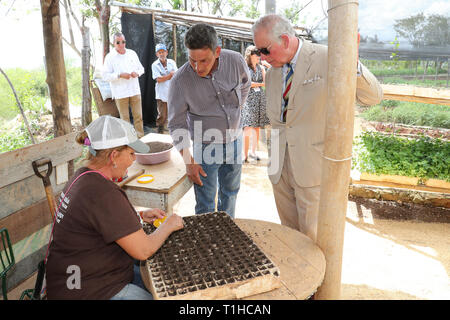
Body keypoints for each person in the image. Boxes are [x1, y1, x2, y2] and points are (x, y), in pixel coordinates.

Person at [252, 14, 383, 242]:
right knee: (288, 234)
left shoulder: (328, 56)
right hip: (279, 165)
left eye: (265, 50)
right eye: (258, 51)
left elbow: (373, 97)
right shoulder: (272, 73)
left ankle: (319, 279)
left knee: (314, 237)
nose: (261, 56)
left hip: (313, 168)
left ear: (285, 40)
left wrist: (353, 64)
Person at [46, 115, 184, 300]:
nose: (133, 160)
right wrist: (170, 224)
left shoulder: (83, 176)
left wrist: (138, 216)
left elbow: (96, 219)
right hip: (89, 290)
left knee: (152, 279)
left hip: (74, 280)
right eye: (131, 154)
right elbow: (143, 250)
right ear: (114, 156)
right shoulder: (102, 192)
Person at [168, 23, 251, 218]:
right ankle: (206, 244)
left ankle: (226, 231)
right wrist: (188, 161)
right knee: (205, 202)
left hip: (235, 140)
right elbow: (176, 124)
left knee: (230, 194)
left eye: (204, 60)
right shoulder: (180, 81)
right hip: (205, 147)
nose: (197, 67)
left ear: (218, 51)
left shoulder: (236, 61)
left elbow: (245, 84)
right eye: (192, 60)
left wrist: (236, 109)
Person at [102, 32, 145, 138]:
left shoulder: (132, 53)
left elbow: (141, 68)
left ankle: (141, 137)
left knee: (138, 116)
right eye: (118, 42)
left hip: (134, 90)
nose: (121, 44)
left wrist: (137, 73)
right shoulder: (110, 57)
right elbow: (105, 76)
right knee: (125, 119)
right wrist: (119, 75)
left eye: (123, 42)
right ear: (114, 43)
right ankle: (130, 140)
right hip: (120, 92)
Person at [241, 45, 270, 163]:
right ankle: (245, 154)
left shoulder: (261, 68)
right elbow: (246, 84)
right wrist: (259, 84)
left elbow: (265, 82)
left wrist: (268, 68)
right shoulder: (244, 67)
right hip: (248, 99)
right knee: (247, 127)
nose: (258, 56)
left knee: (257, 127)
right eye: (256, 54)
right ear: (250, 55)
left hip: (259, 99)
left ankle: (253, 152)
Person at [152, 43, 178, 134]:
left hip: (172, 92)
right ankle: (160, 130)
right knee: (162, 115)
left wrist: (168, 76)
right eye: (159, 52)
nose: (161, 54)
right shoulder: (155, 65)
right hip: (161, 93)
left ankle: (171, 131)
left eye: (163, 52)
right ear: (157, 54)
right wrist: (170, 75)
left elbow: (176, 75)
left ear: (166, 52)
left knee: (173, 113)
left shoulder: (172, 62)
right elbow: (158, 79)